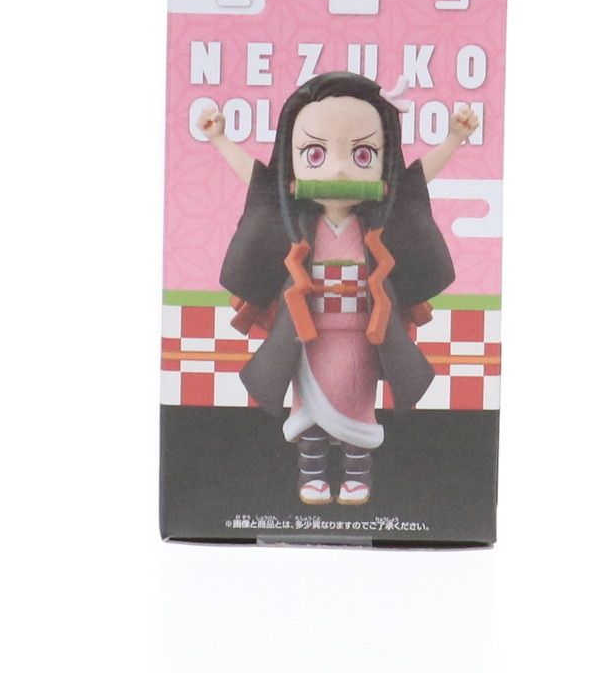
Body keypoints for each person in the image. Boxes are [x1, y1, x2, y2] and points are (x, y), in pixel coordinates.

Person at [197, 71, 479, 506]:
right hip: (308, 335)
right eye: (315, 154)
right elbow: (256, 179)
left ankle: (357, 475)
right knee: (307, 410)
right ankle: (310, 474)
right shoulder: (299, 227)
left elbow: (417, 179)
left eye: (363, 154)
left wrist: (454, 139)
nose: (340, 168)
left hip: (361, 335)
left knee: (358, 405)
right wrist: (219, 139)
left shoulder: (373, 229)